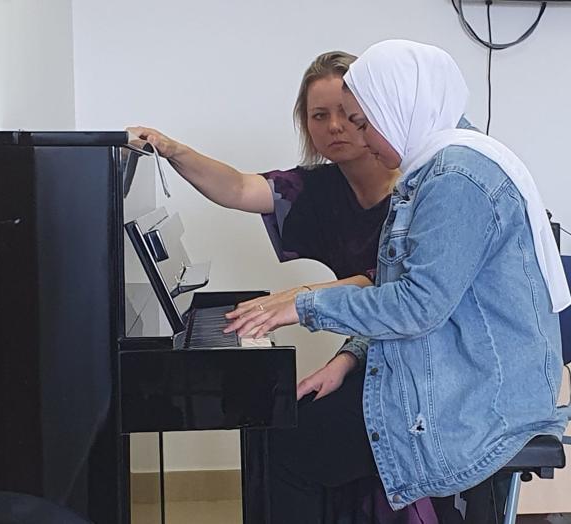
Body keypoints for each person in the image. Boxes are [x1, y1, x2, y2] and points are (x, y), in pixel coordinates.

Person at [225, 39, 571, 518]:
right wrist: (347, 359)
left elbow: (415, 307)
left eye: (366, 123)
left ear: (401, 109)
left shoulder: (456, 180)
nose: (360, 139)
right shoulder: (436, 167)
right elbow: (411, 299)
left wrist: (304, 304)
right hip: (455, 373)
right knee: (290, 424)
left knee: (286, 446)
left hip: (476, 402)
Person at [129, 52, 450, 522]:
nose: (336, 126)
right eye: (320, 115)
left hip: (425, 369)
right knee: (277, 416)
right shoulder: (319, 187)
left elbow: (391, 289)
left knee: (291, 439)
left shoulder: (425, 188)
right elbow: (239, 188)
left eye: (350, 115)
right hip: (374, 351)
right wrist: (173, 149)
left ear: (376, 114)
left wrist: (300, 303)